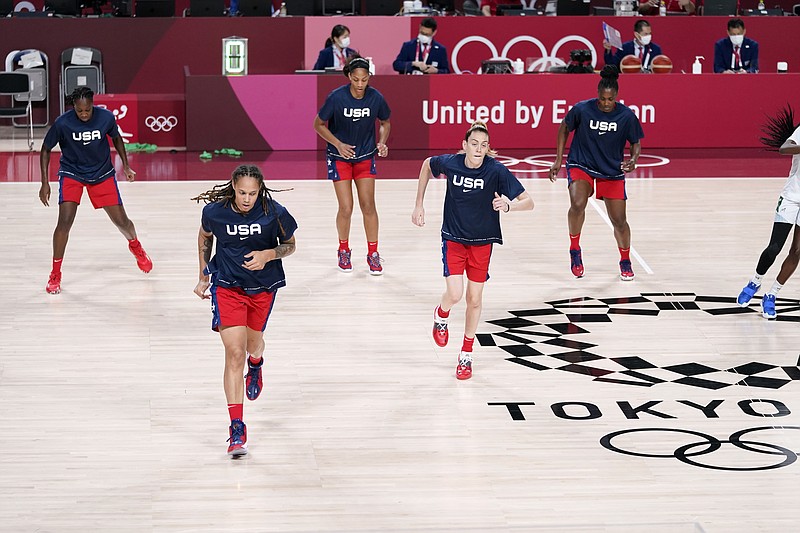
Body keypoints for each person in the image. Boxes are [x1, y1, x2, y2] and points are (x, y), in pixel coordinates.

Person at [411, 121, 534, 380]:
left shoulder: (496, 171)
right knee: (455, 294)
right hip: (454, 239)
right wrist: (419, 204)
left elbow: (529, 202)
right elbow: (426, 164)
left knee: (474, 300)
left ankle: (466, 354)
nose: (479, 149)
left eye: (484, 145)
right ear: (464, 145)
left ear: (488, 149)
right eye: (474, 144)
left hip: (482, 243)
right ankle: (441, 314)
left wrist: (509, 205)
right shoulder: (451, 163)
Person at [191, 164, 298, 456]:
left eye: (252, 193)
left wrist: (268, 254)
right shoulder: (215, 212)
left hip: (263, 287)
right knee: (234, 352)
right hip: (227, 286)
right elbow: (204, 236)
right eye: (241, 192)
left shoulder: (275, 212)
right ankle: (236, 427)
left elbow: (290, 245)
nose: (247, 198)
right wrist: (203, 274)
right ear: (233, 187)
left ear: (260, 189)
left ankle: (258, 361)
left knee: (253, 344)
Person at [38, 86, 152, 295]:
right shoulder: (63, 123)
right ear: (74, 107)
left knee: (122, 221)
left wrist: (126, 166)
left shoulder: (106, 118)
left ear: (92, 105)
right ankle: (55, 273)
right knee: (64, 222)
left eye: (87, 110)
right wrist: (45, 182)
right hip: (71, 173)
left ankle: (135, 245)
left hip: (101, 174)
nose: (83, 114)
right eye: (79, 110)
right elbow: (45, 149)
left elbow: (116, 138)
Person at [548, 65, 644, 281]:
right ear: (598, 95)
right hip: (581, 163)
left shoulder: (626, 116)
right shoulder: (583, 109)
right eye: (602, 99)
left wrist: (633, 160)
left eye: (610, 100)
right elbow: (564, 127)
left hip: (610, 170)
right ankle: (574, 249)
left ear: (616, 97)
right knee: (578, 203)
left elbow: (635, 142)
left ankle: (625, 260)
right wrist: (558, 159)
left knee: (619, 220)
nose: (606, 103)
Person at [313, 55, 391, 275]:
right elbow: (317, 124)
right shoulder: (336, 98)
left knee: (368, 206)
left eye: (364, 80)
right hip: (339, 157)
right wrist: (337, 144)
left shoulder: (376, 98)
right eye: (356, 79)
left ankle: (373, 253)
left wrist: (382, 142)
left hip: (365, 156)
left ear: (369, 78)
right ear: (349, 76)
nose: (360, 84)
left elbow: (385, 122)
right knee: (346, 207)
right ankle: (343, 249)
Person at [736, 106, 800, 319]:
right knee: (774, 248)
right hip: (792, 197)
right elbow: (784, 148)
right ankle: (755, 281)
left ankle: (771, 295)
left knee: (797, 252)